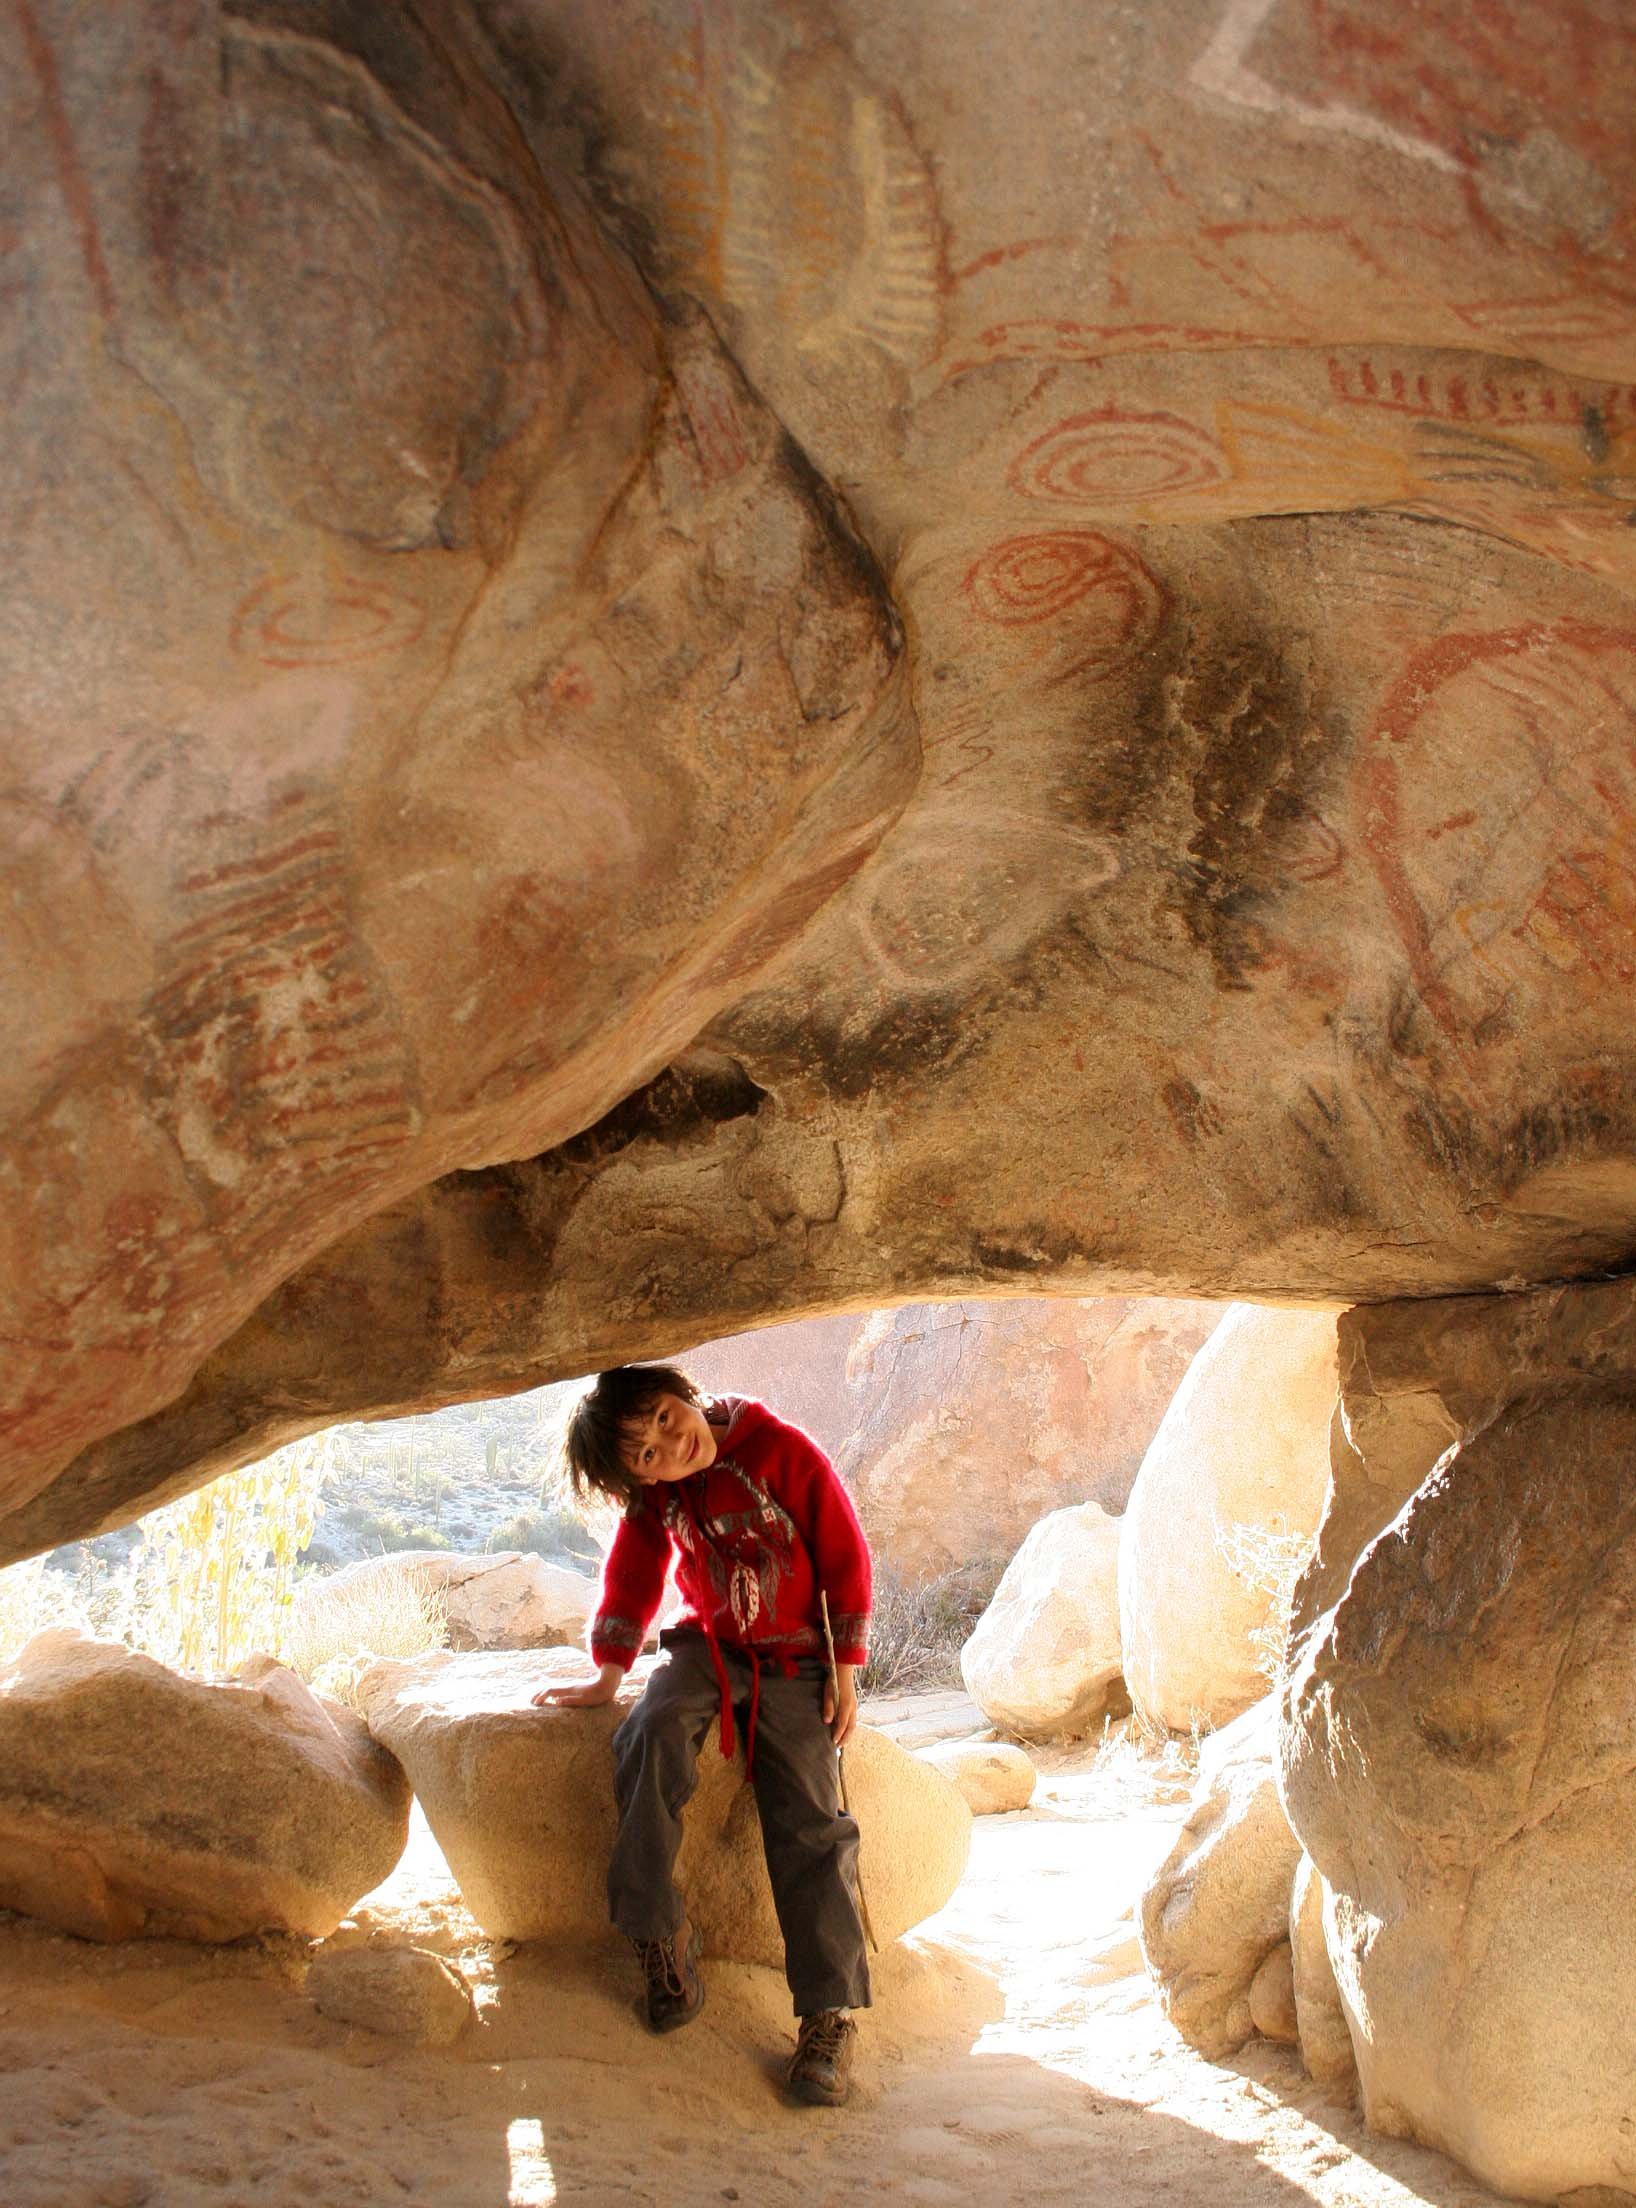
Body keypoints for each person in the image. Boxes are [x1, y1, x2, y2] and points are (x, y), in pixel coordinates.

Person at [532, 1362, 873, 2107]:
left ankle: (828, 2014)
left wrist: (845, 1673)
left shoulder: (782, 1450)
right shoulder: (659, 1502)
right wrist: (609, 1670)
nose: (667, 1443)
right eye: (645, 1453)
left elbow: (843, 1552)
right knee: (648, 1736)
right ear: (638, 1481)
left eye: (661, 1416)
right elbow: (635, 1570)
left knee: (812, 1819)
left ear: (684, 1393)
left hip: (794, 1656)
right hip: (706, 1650)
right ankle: (660, 1935)